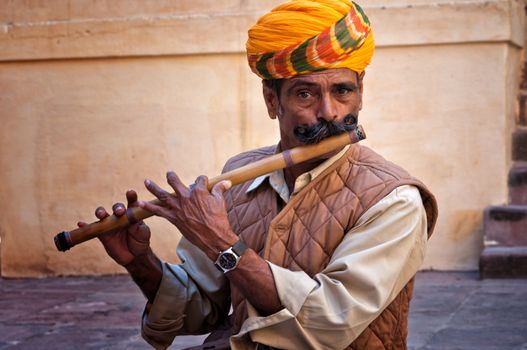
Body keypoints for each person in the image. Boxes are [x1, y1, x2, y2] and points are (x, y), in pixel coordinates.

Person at [83, 1, 438, 349]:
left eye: (342, 91)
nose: (329, 112)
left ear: (360, 93)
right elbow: (200, 312)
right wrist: (140, 262)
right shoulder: (236, 177)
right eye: (305, 93)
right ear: (272, 101)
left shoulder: (395, 200)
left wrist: (221, 243)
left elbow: (329, 323)